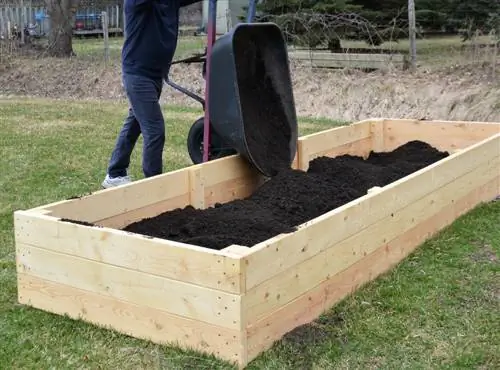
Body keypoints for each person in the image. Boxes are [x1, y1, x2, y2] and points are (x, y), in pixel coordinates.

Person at [102, 0, 202, 188]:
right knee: (155, 130)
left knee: (135, 122)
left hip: (155, 74)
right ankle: (154, 186)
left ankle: (115, 174)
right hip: (137, 74)